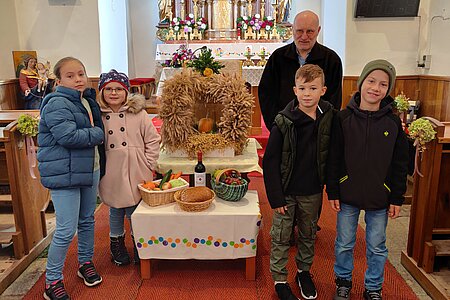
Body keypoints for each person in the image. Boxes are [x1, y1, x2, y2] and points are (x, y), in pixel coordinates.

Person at [326, 60, 409, 300]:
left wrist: (396, 196)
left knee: (376, 246)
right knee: (344, 243)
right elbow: (334, 156)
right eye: (371, 81)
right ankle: (343, 282)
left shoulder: (392, 123)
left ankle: (373, 287)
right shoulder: (342, 118)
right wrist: (333, 189)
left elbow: (400, 163)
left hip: (379, 196)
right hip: (348, 193)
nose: (376, 88)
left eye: (383, 84)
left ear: (388, 90)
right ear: (361, 82)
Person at [263, 64, 335, 300]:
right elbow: (270, 161)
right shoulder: (284, 121)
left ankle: (304, 272)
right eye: (302, 88)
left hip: (312, 191)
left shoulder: (328, 116)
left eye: (312, 88)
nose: (307, 93)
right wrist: (275, 196)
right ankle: (280, 279)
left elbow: (334, 153)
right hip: (286, 191)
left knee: (307, 233)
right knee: (282, 235)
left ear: (322, 90)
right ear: (294, 90)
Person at [37, 57, 105, 300]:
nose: (78, 79)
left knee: (87, 220)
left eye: (81, 73)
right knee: (66, 229)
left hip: (89, 167)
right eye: (70, 75)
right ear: (58, 80)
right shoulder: (56, 103)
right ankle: (52, 280)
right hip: (64, 173)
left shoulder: (85, 100)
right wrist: (98, 133)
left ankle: (84, 263)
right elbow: (69, 137)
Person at [97, 69, 161, 266]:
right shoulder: (98, 115)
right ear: (101, 92)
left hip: (136, 168)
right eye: (108, 89)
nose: (113, 93)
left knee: (136, 209)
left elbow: (152, 140)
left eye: (118, 88)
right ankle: (117, 244)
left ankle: (139, 242)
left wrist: (148, 163)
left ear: (126, 92)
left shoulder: (138, 113)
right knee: (116, 209)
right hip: (111, 170)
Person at [259, 10, 343, 130]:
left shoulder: (331, 59)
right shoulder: (278, 57)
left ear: (318, 31)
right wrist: (276, 124)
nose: (304, 37)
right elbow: (266, 94)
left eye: (310, 31)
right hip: (283, 126)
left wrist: (323, 126)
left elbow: (334, 99)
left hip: (317, 129)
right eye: (299, 31)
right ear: (293, 29)